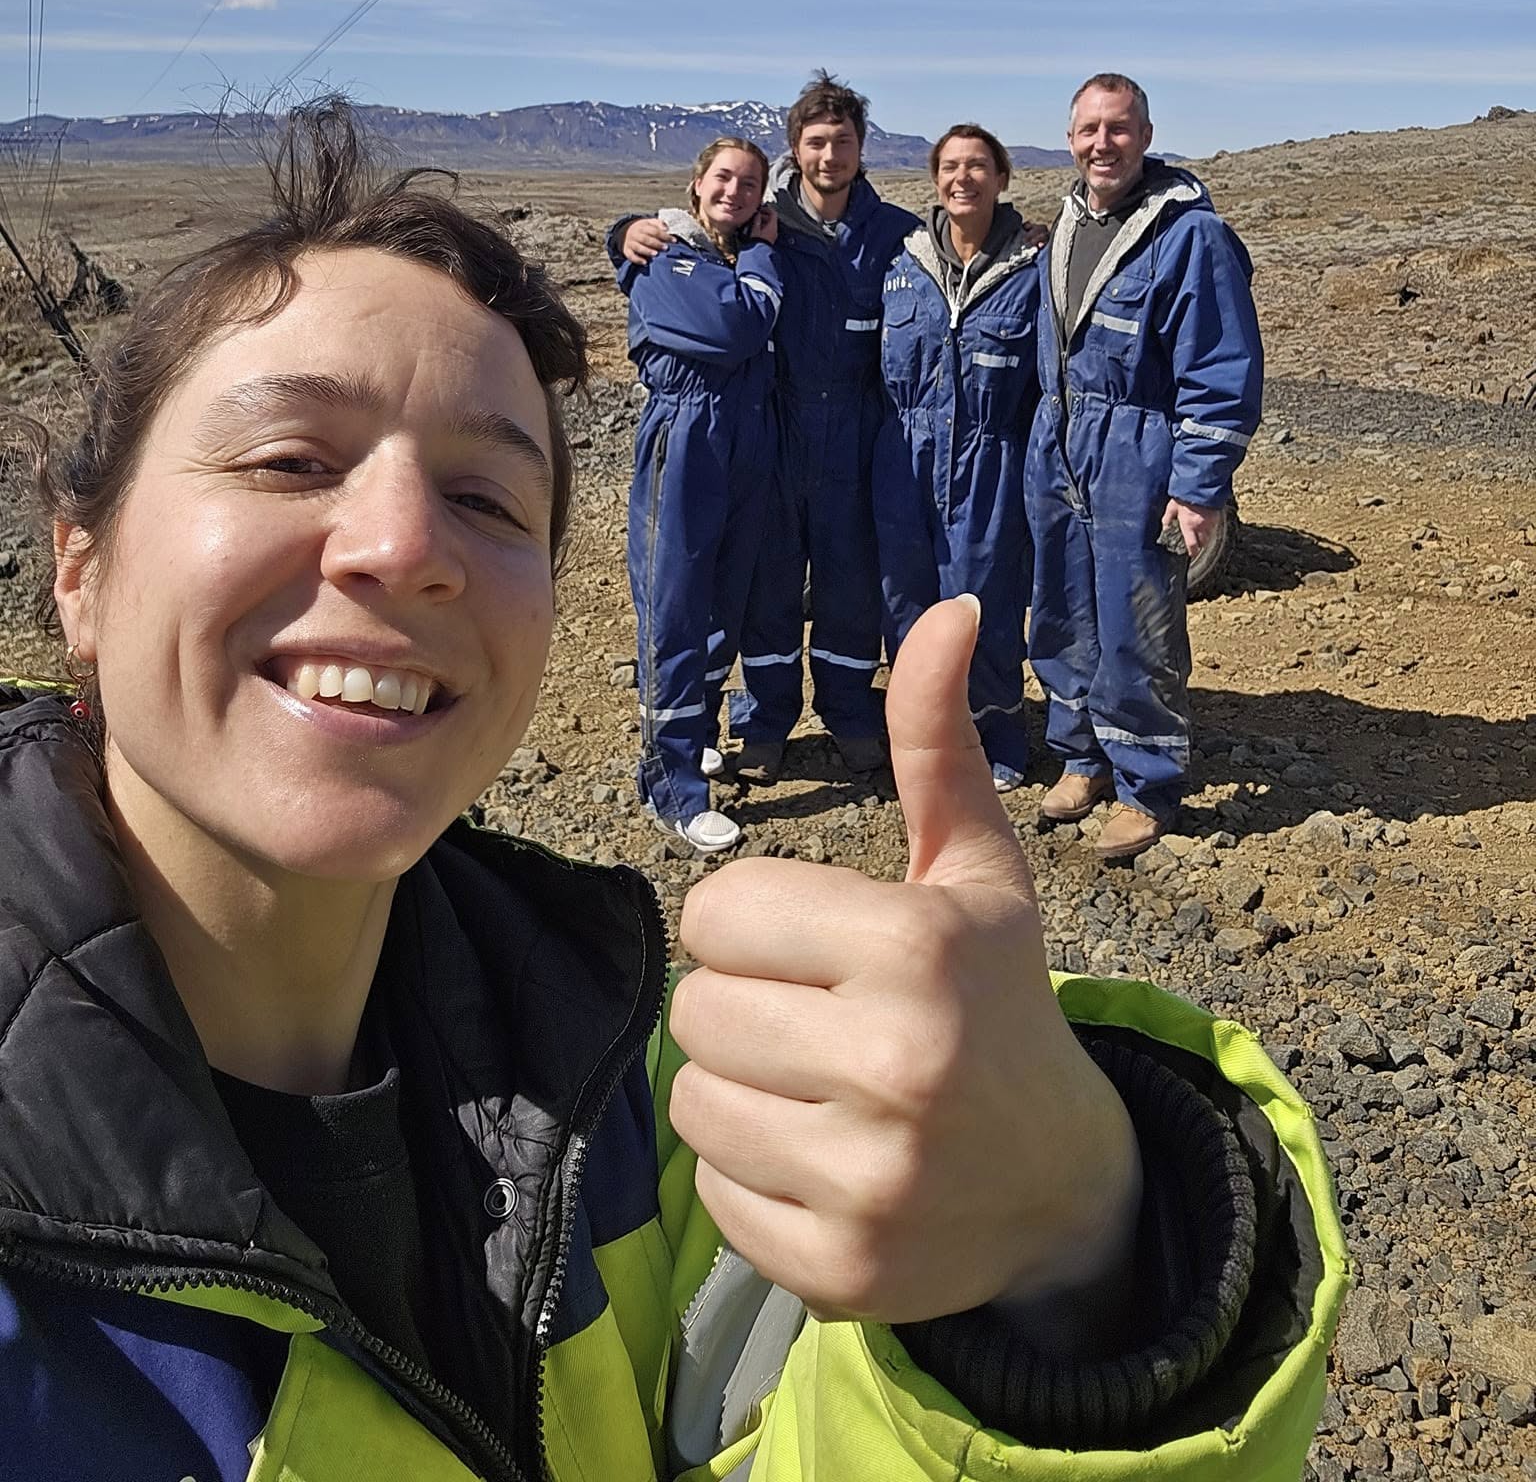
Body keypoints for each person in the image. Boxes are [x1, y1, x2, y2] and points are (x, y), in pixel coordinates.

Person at [0, 101, 1343, 1481]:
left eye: (486, 498)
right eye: (290, 458)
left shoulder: (634, 1083)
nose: (402, 544)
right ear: (78, 566)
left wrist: (1087, 1254)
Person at [618, 72, 917, 784]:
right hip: (774, 434)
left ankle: (850, 713)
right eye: (815, 142)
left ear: (862, 148)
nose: (829, 156)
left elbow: (962, 250)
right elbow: (692, 258)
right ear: (795, 149)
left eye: (843, 141)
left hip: (856, 434)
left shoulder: (896, 234)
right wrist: (620, 232)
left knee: (850, 584)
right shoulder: (763, 225)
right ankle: (763, 723)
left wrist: (1021, 235)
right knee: (768, 588)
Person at [1026, 73, 1264, 862]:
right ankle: (1083, 757)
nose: (1104, 143)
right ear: (1070, 139)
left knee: (1138, 627)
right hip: (1061, 444)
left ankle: (1145, 785)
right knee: (1063, 612)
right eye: (1090, 129)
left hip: (1138, 452)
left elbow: (1221, 370)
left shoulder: (1190, 236)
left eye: (1119, 128)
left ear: (1147, 136)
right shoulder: (1065, 225)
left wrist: (1199, 487)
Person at [615, 137, 781, 854]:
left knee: (724, 603)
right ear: (696, 184)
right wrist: (763, 260)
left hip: (747, 437)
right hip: (685, 438)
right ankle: (673, 785)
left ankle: (695, 731)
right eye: (723, 178)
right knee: (675, 608)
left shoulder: (729, 256)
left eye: (749, 183)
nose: (733, 192)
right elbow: (736, 327)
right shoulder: (664, 254)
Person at [873, 124, 1042, 794]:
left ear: (1001, 178)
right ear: (935, 179)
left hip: (992, 460)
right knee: (906, 605)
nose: (962, 178)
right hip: (903, 460)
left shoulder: (1032, 269)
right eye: (949, 166)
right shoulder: (901, 264)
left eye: (977, 166)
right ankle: (922, 741)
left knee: (984, 603)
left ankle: (995, 738)